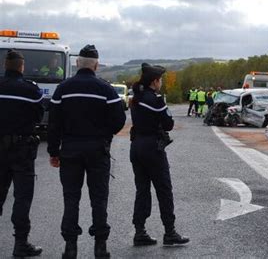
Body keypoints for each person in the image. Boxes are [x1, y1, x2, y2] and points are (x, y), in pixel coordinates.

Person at [47, 45, 126, 259]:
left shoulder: (63, 88)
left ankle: (70, 247)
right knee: (99, 198)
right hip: (97, 151)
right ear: (96, 65)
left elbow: (53, 124)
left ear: (76, 63)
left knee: (71, 198)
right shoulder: (106, 90)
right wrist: (104, 136)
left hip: (70, 149)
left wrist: (54, 152)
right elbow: (119, 120)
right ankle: (100, 247)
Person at [129, 63, 189, 247]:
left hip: (136, 146)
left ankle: (139, 231)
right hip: (152, 148)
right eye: (160, 79)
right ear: (155, 81)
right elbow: (169, 124)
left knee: (142, 190)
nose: (161, 82)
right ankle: (169, 232)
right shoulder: (155, 100)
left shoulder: (136, 98)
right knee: (164, 189)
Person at [0, 50, 44, 257]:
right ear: (21, 67)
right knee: (22, 197)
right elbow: (38, 115)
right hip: (21, 149)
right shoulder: (31, 90)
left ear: (5, 66)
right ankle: (20, 244)